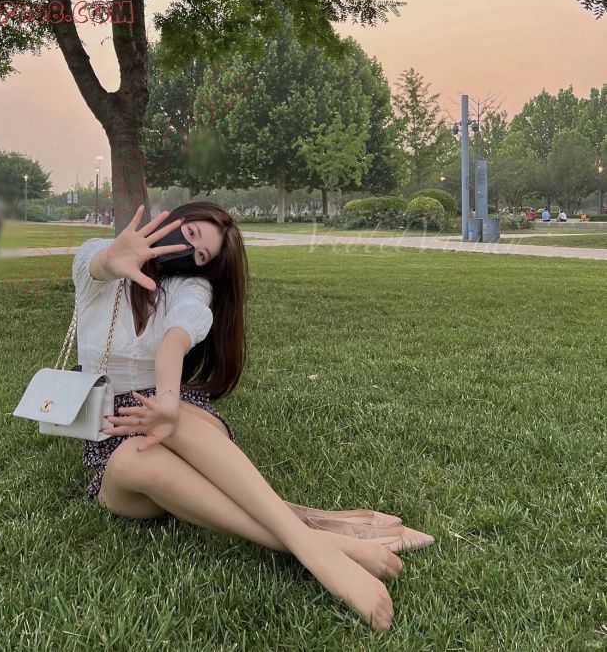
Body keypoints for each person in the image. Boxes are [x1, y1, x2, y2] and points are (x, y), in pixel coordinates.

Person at [71, 200, 433, 633]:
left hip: (179, 412)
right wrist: (112, 259)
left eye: (201, 255)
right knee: (131, 462)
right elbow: (99, 265)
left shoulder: (191, 287)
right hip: (112, 437)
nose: (187, 252)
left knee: (176, 421)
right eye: (189, 234)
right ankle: (317, 536)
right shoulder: (96, 256)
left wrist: (166, 400)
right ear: (175, 218)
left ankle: (316, 554)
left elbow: (175, 339)